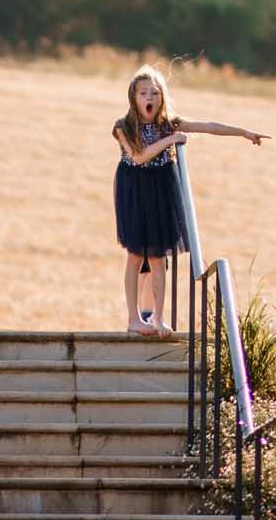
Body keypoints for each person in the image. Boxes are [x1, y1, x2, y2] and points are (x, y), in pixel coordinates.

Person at [113, 63, 267, 338]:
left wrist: (243, 132)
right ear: (133, 98)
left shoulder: (169, 123)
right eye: (144, 93)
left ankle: (158, 318)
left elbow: (208, 126)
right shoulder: (123, 127)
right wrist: (171, 139)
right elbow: (138, 157)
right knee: (136, 255)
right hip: (134, 188)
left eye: (155, 92)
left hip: (162, 187)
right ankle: (134, 318)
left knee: (159, 256)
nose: (150, 98)